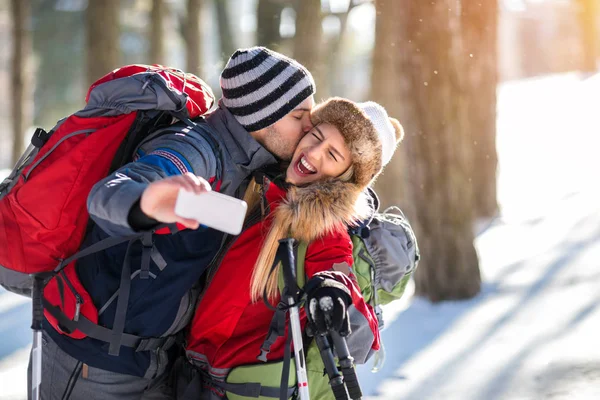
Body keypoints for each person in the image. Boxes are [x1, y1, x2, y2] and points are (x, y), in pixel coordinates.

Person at [31, 47, 316, 400]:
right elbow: (107, 195)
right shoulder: (194, 150)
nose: (309, 127)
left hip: (155, 362)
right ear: (263, 116)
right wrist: (149, 201)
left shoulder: (249, 165)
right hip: (93, 361)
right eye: (300, 116)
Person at [174, 97, 405, 399]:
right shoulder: (264, 185)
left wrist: (333, 288)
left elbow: (335, 265)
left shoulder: (323, 223)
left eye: (332, 154)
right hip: (193, 373)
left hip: (237, 389)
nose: (313, 153)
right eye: (316, 137)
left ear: (345, 176)